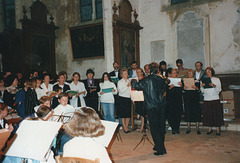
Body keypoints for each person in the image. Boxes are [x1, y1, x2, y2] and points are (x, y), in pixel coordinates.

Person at [131, 62, 167, 156]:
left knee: (154, 128)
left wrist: (133, 81)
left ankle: (161, 149)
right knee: (160, 127)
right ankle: (158, 145)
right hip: (161, 105)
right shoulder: (161, 78)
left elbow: (136, 86)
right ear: (158, 69)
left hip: (152, 105)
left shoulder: (147, 79)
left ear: (150, 70)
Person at [201, 67, 223, 135]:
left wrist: (214, 86)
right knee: (208, 114)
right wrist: (202, 86)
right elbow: (202, 91)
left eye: (209, 71)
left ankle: (218, 129)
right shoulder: (203, 80)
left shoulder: (216, 79)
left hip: (215, 98)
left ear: (212, 72)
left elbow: (219, 89)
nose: (208, 73)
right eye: (207, 71)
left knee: (216, 114)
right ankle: (210, 129)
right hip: (207, 98)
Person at [183, 69, 201, 134]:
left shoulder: (197, 80)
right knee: (188, 111)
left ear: (193, 74)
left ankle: (197, 127)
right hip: (187, 98)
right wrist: (184, 88)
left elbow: (199, 90)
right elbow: (183, 90)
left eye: (191, 73)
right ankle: (188, 127)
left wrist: (196, 88)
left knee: (196, 112)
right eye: (188, 73)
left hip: (195, 98)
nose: (189, 74)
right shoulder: (184, 80)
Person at [166, 68, 183, 134]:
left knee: (177, 114)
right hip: (170, 100)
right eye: (172, 73)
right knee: (171, 114)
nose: (174, 74)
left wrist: (181, 86)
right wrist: (169, 87)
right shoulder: (167, 81)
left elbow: (182, 90)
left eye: (175, 73)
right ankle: (173, 128)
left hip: (178, 100)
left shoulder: (180, 80)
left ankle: (177, 128)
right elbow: (165, 90)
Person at [117, 68, 131, 133]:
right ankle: (124, 128)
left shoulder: (129, 80)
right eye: (125, 74)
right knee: (123, 115)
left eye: (127, 73)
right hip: (122, 98)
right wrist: (127, 86)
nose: (126, 75)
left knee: (128, 114)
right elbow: (121, 91)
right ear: (122, 75)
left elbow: (130, 90)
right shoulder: (120, 82)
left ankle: (127, 127)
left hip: (128, 98)